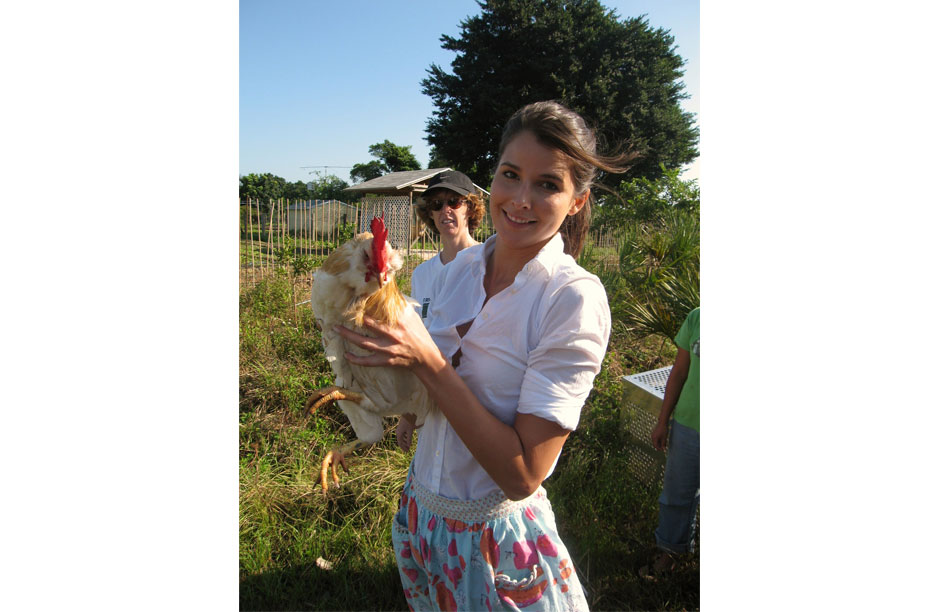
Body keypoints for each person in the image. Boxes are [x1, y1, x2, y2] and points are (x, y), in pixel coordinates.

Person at [334, 101, 636, 610]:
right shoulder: (459, 269)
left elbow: (523, 475)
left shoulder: (570, 298)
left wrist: (425, 362)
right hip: (422, 512)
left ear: (577, 201)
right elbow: (427, 391)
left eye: (547, 184)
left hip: (496, 543)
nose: (520, 199)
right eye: (510, 174)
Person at [395, 170, 486, 452]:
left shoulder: (487, 264)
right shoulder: (422, 275)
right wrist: (408, 414)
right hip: (432, 400)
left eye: (454, 201)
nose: (445, 210)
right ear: (430, 215)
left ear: (470, 208)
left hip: (478, 400)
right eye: (436, 205)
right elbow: (420, 344)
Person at [649, 306, 700, 573]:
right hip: (689, 425)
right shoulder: (697, 318)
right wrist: (663, 421)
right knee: (677, 493)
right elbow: (679, 372)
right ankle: (670, 551)